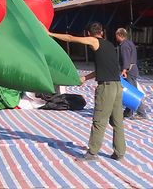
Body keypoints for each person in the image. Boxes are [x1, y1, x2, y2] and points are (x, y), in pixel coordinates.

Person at [49, 22, 126, 161]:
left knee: (99, 120)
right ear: (102, 32)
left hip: (106, 88)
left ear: (89, 34)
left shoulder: (94, 41)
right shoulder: (109, 45)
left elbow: (71, 38)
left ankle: (92, 153)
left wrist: (50, 34)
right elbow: (104, 69)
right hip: (117, 86)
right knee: (117, 122)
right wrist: (85, 77)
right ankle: (119, 153)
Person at [115, 28, 148, 119]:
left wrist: (124, 70)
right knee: (130, 91)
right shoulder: (130, 43)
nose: (115, 37)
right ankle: (128, 112)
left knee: (132, 92)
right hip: (133, 69)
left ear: (120, 35)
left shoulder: (124, 46)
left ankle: (141, 113)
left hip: (129, 71)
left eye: (116, 35)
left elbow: (126, 59)